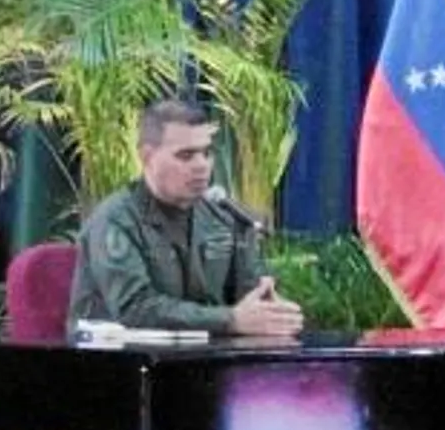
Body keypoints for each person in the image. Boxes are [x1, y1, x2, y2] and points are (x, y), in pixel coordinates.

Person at [68, 99, 303, 337]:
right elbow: (136, 309)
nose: (201, 165)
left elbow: (250, 295)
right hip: (116, 364)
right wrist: (229, 319)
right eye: (186, 155)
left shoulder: (224, 218)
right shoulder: (115, 220)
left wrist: (271, 311)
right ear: (146, 156)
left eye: (207, 153)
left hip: (202, 361)